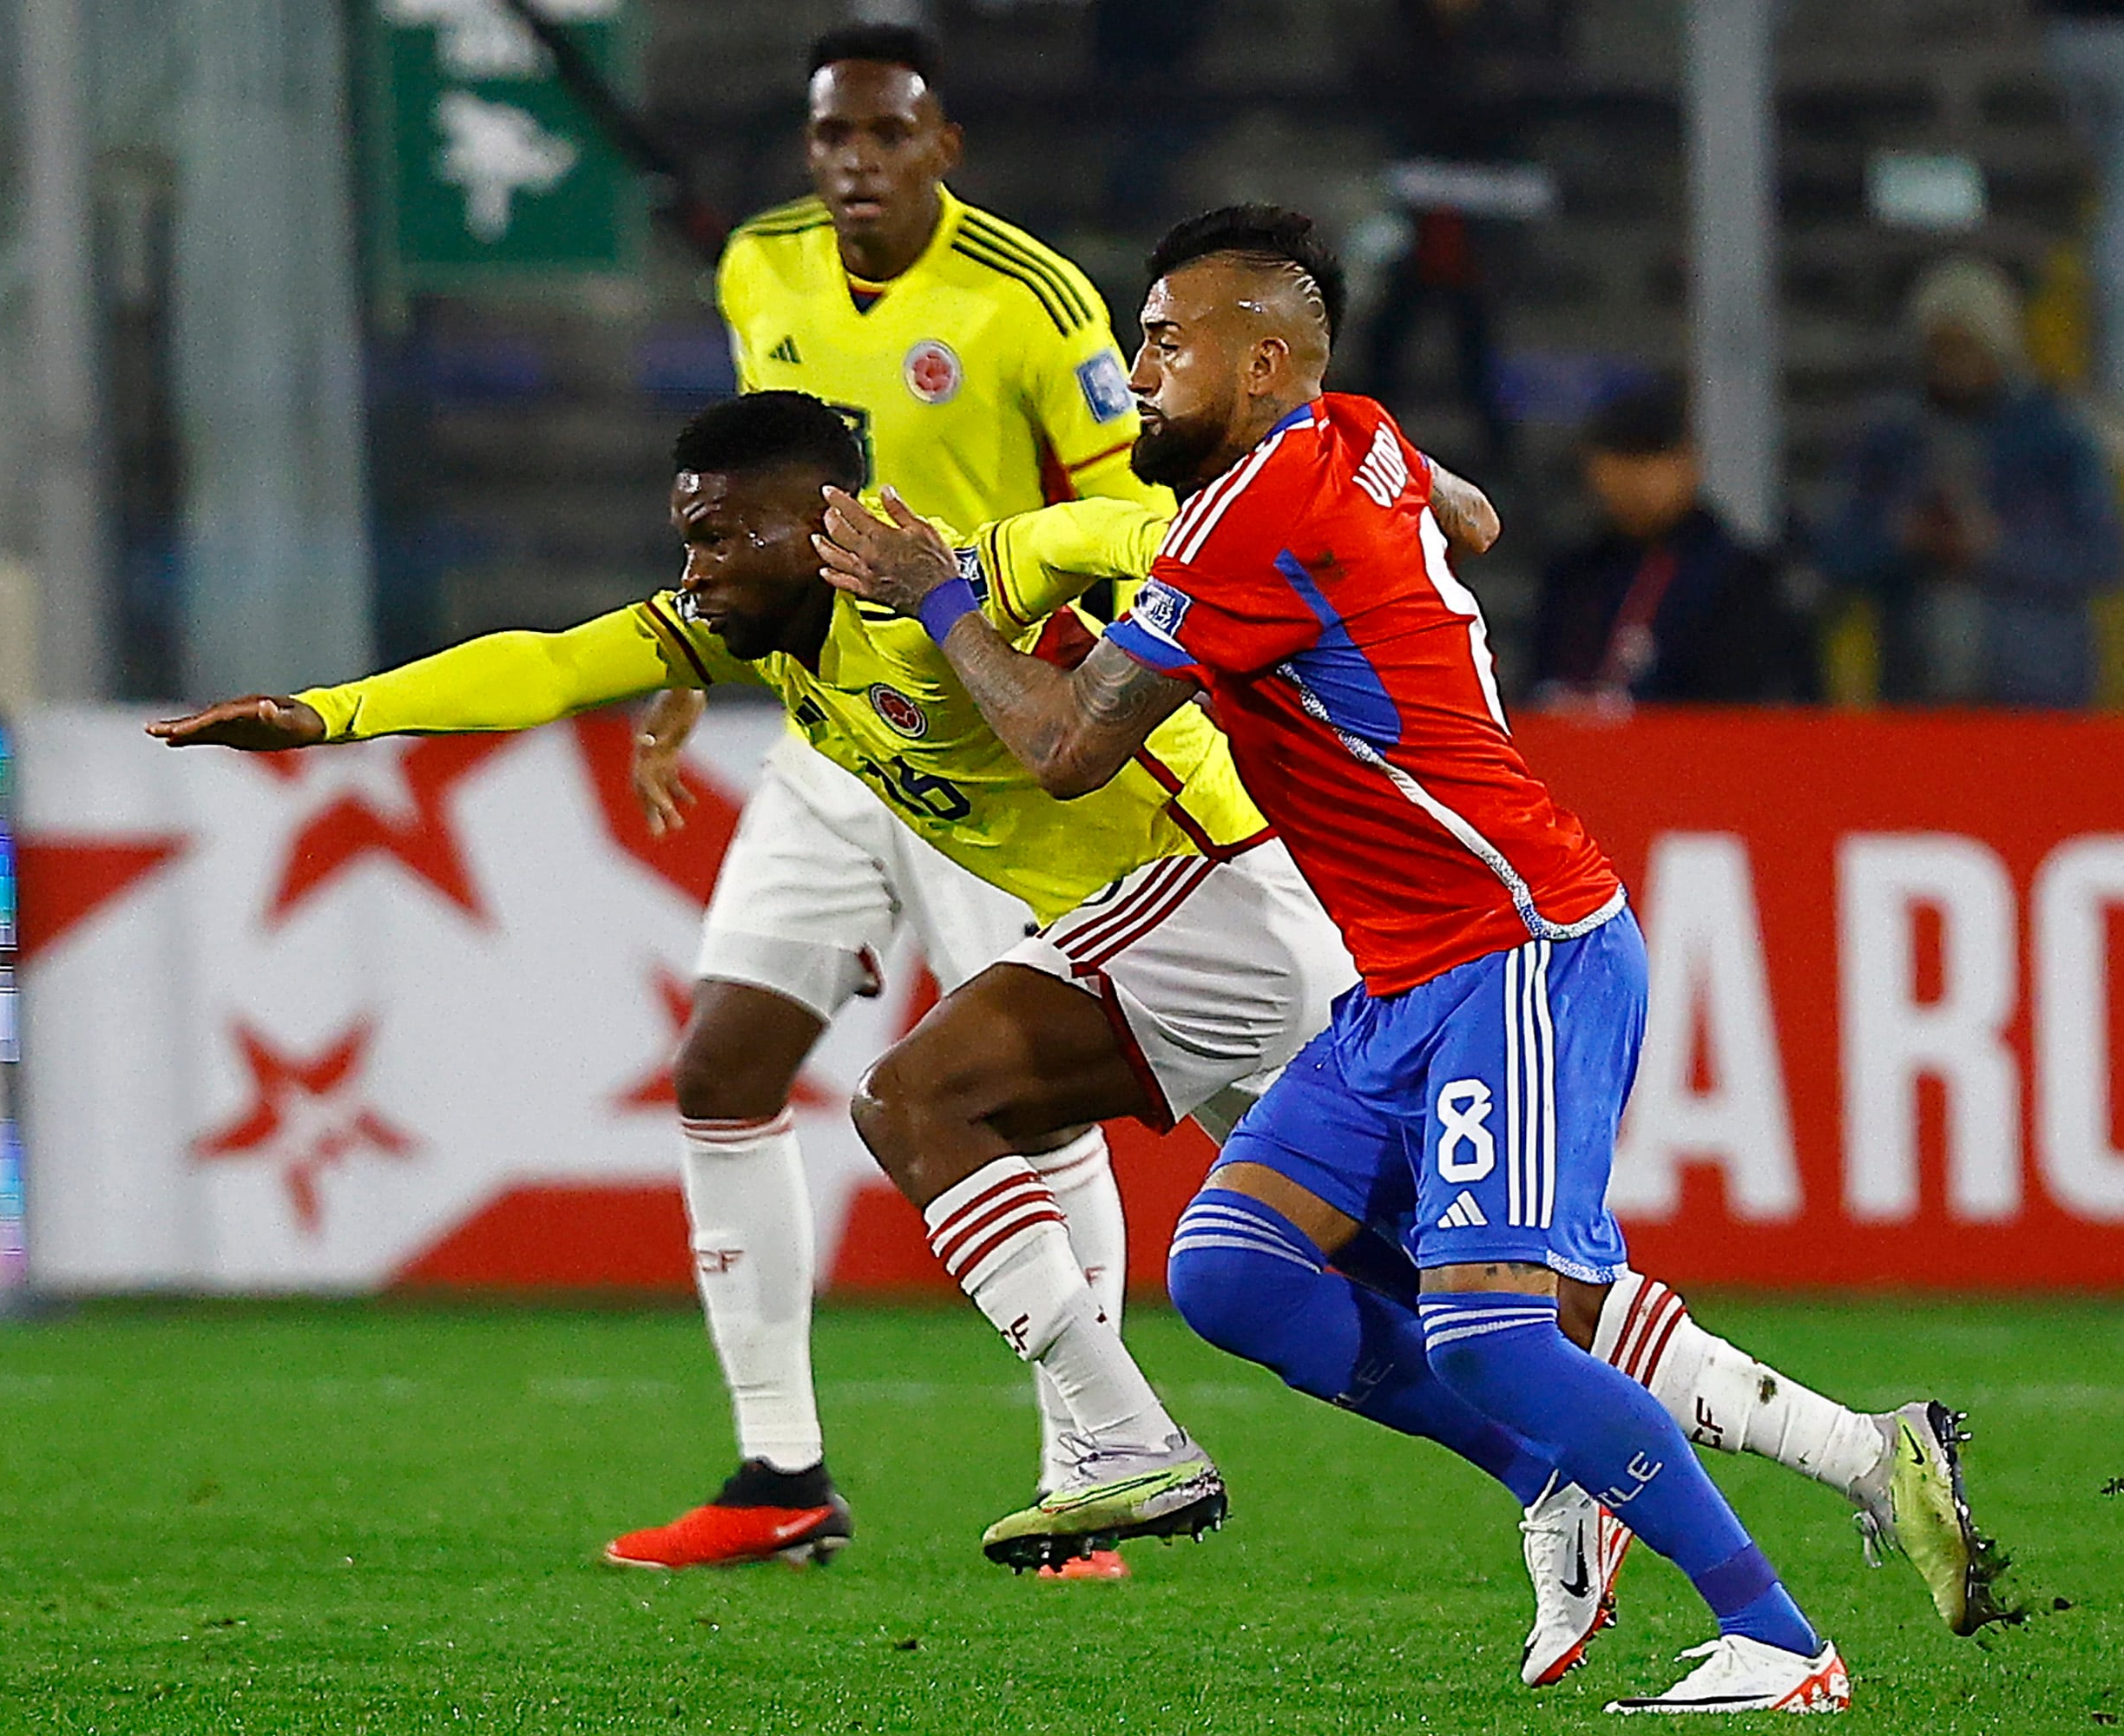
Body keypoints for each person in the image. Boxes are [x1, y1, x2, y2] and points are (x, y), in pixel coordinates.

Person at [158, 390, 2000, 1689]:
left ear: (817, 521)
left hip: (1232, 905)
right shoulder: (767, 637)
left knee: (933, 1096)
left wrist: (1393, 490)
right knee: (1385, 1285)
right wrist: (328, 715)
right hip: (1187, 941)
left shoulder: (956, 567)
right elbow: (546, 660)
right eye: (685, 544)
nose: (692, 572)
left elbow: (1143, 522)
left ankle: (1139, 1442)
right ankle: (1826, 1455)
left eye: (718, 537)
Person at [814, 204, 1891, 1712]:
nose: (1134, 373)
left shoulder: (1250, 520)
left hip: (1513, 942)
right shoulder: (1347, 434)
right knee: (1237, 1273)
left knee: (1490, 1327)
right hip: (1404, 977)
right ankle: (1562, 1481)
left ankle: (1780, 1639)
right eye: (1138, 339)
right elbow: (1472, 511)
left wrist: (938, 592)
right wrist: (1413, 503)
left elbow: (1063, 750)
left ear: (1261, 366)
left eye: (1165, 344)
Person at [610, 23, 1176, 1574]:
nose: (853, 165)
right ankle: (778, 1471)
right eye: (830, 140)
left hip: (974, 733)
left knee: (1026, 1095)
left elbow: (1140, 510)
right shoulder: (758, 270)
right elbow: (745, 498)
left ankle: (1091, 1478)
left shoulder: (1032, 300)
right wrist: (683, 661)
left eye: (885, 136)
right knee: (723, 1064)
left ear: (944, 148)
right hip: (821, 728)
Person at [1818, 255, 2121, 707]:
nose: (1952, 363)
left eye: (1967, 347)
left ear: (1999, 345)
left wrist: (1997, 548)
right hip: (1917, 700)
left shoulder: (2055, 435)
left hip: (2037, 701)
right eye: (1941, 347)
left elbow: (2103, 556)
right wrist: (1902, 537)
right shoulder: (1889, 438)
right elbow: (1833, 550)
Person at [1528, 377, 1817, 708]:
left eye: (1652, 457)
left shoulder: (1738, 578)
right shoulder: (1574, 577)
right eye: (1621, 459)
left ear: (1690, 462)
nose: (1635, 479)